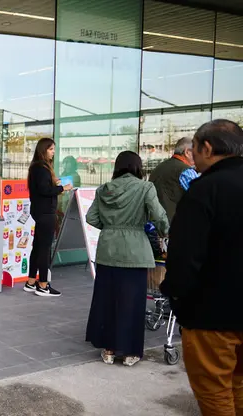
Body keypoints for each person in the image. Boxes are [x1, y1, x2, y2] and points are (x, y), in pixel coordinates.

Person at [160, 120, 243, 414]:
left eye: (193, 149)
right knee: (239, 385)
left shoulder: (205, 189)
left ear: (207, 148)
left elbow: (185, 255)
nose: (192, 157)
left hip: (212, 314)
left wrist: (177, 297)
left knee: (215, 391)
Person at [84, 151, 169, 366]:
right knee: (132, 303)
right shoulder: (145, 188)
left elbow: (91, 217)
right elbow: (158, 216)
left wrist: (111, 228)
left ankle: (109, 350)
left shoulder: (104, 189)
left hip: (107, 251)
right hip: (135, 252)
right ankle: (130, 352)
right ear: (137, 167)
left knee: (108, 301)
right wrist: (166, 232)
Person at [26, 138, 72, 297]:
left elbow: (42, 188)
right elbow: (44, 190)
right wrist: (62, 188)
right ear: (43, 150)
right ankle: (43, 285)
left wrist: (54, 184)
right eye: (51, 149)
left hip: (40, 211)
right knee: (44, 249)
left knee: (38, 246)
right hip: (46, 212)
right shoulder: (41, 168)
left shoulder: (37, 167)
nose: (53, 152)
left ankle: (31, 281)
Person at [148, 137, 199, 221]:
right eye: (197, 152)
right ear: (187, 152)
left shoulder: (158, 168)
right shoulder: (186, 171)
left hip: (155, 223)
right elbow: (202, 198)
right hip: (176, 223)